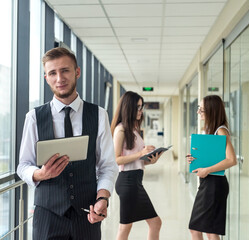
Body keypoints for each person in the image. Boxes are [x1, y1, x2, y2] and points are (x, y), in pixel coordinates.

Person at [17, 47, 118, 240]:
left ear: (77, 72)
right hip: (47, 216)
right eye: (52, 73)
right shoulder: (34, 117)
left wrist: (103, 197)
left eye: (65, 70)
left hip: (87, 214)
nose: (59, 78)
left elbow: (107, 166)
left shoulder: (98, 115)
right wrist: (40, 174)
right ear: (46, 77)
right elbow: (23, 166)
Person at [111, 91, 162, 240]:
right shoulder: (120, 129)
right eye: (138, 107)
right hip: (128, 182)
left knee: (132, 226)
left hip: (135, 181)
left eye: (141, 107)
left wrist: (149, 160)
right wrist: (141, 154)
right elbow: (117, 159)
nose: (141, 111)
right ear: (129, 108)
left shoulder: (133, 129)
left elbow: (134, 159)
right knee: (132, 226)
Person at [187, 95, 237, 240]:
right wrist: (196, 159)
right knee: (205, 229)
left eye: (201, 110)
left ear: (211, 110)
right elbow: (213, 157)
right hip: (209, 183)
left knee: (203, 229)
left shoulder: (221, 131)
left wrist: (207, 170)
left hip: (214, 185)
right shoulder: (211, 130)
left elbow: (231, 160)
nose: (198, 113)